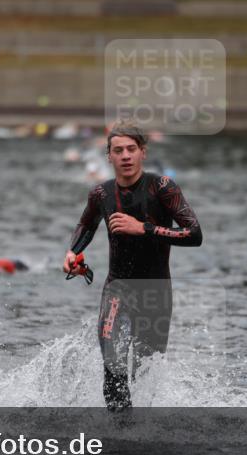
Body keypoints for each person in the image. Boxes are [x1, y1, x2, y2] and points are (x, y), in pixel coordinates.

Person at [62, 121, 202, 411]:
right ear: (108, 157)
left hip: (156, 293)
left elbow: (194, 234)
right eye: (118, 151)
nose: (125, 156)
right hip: (118, 288)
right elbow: (86, 226)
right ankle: (118, 439)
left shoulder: (163, 188)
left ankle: (142, 444)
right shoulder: (101, 194)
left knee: (143, 375)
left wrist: (144, 228)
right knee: (113, 365)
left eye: (131, 149)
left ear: (143, 152)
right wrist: (72, 253)